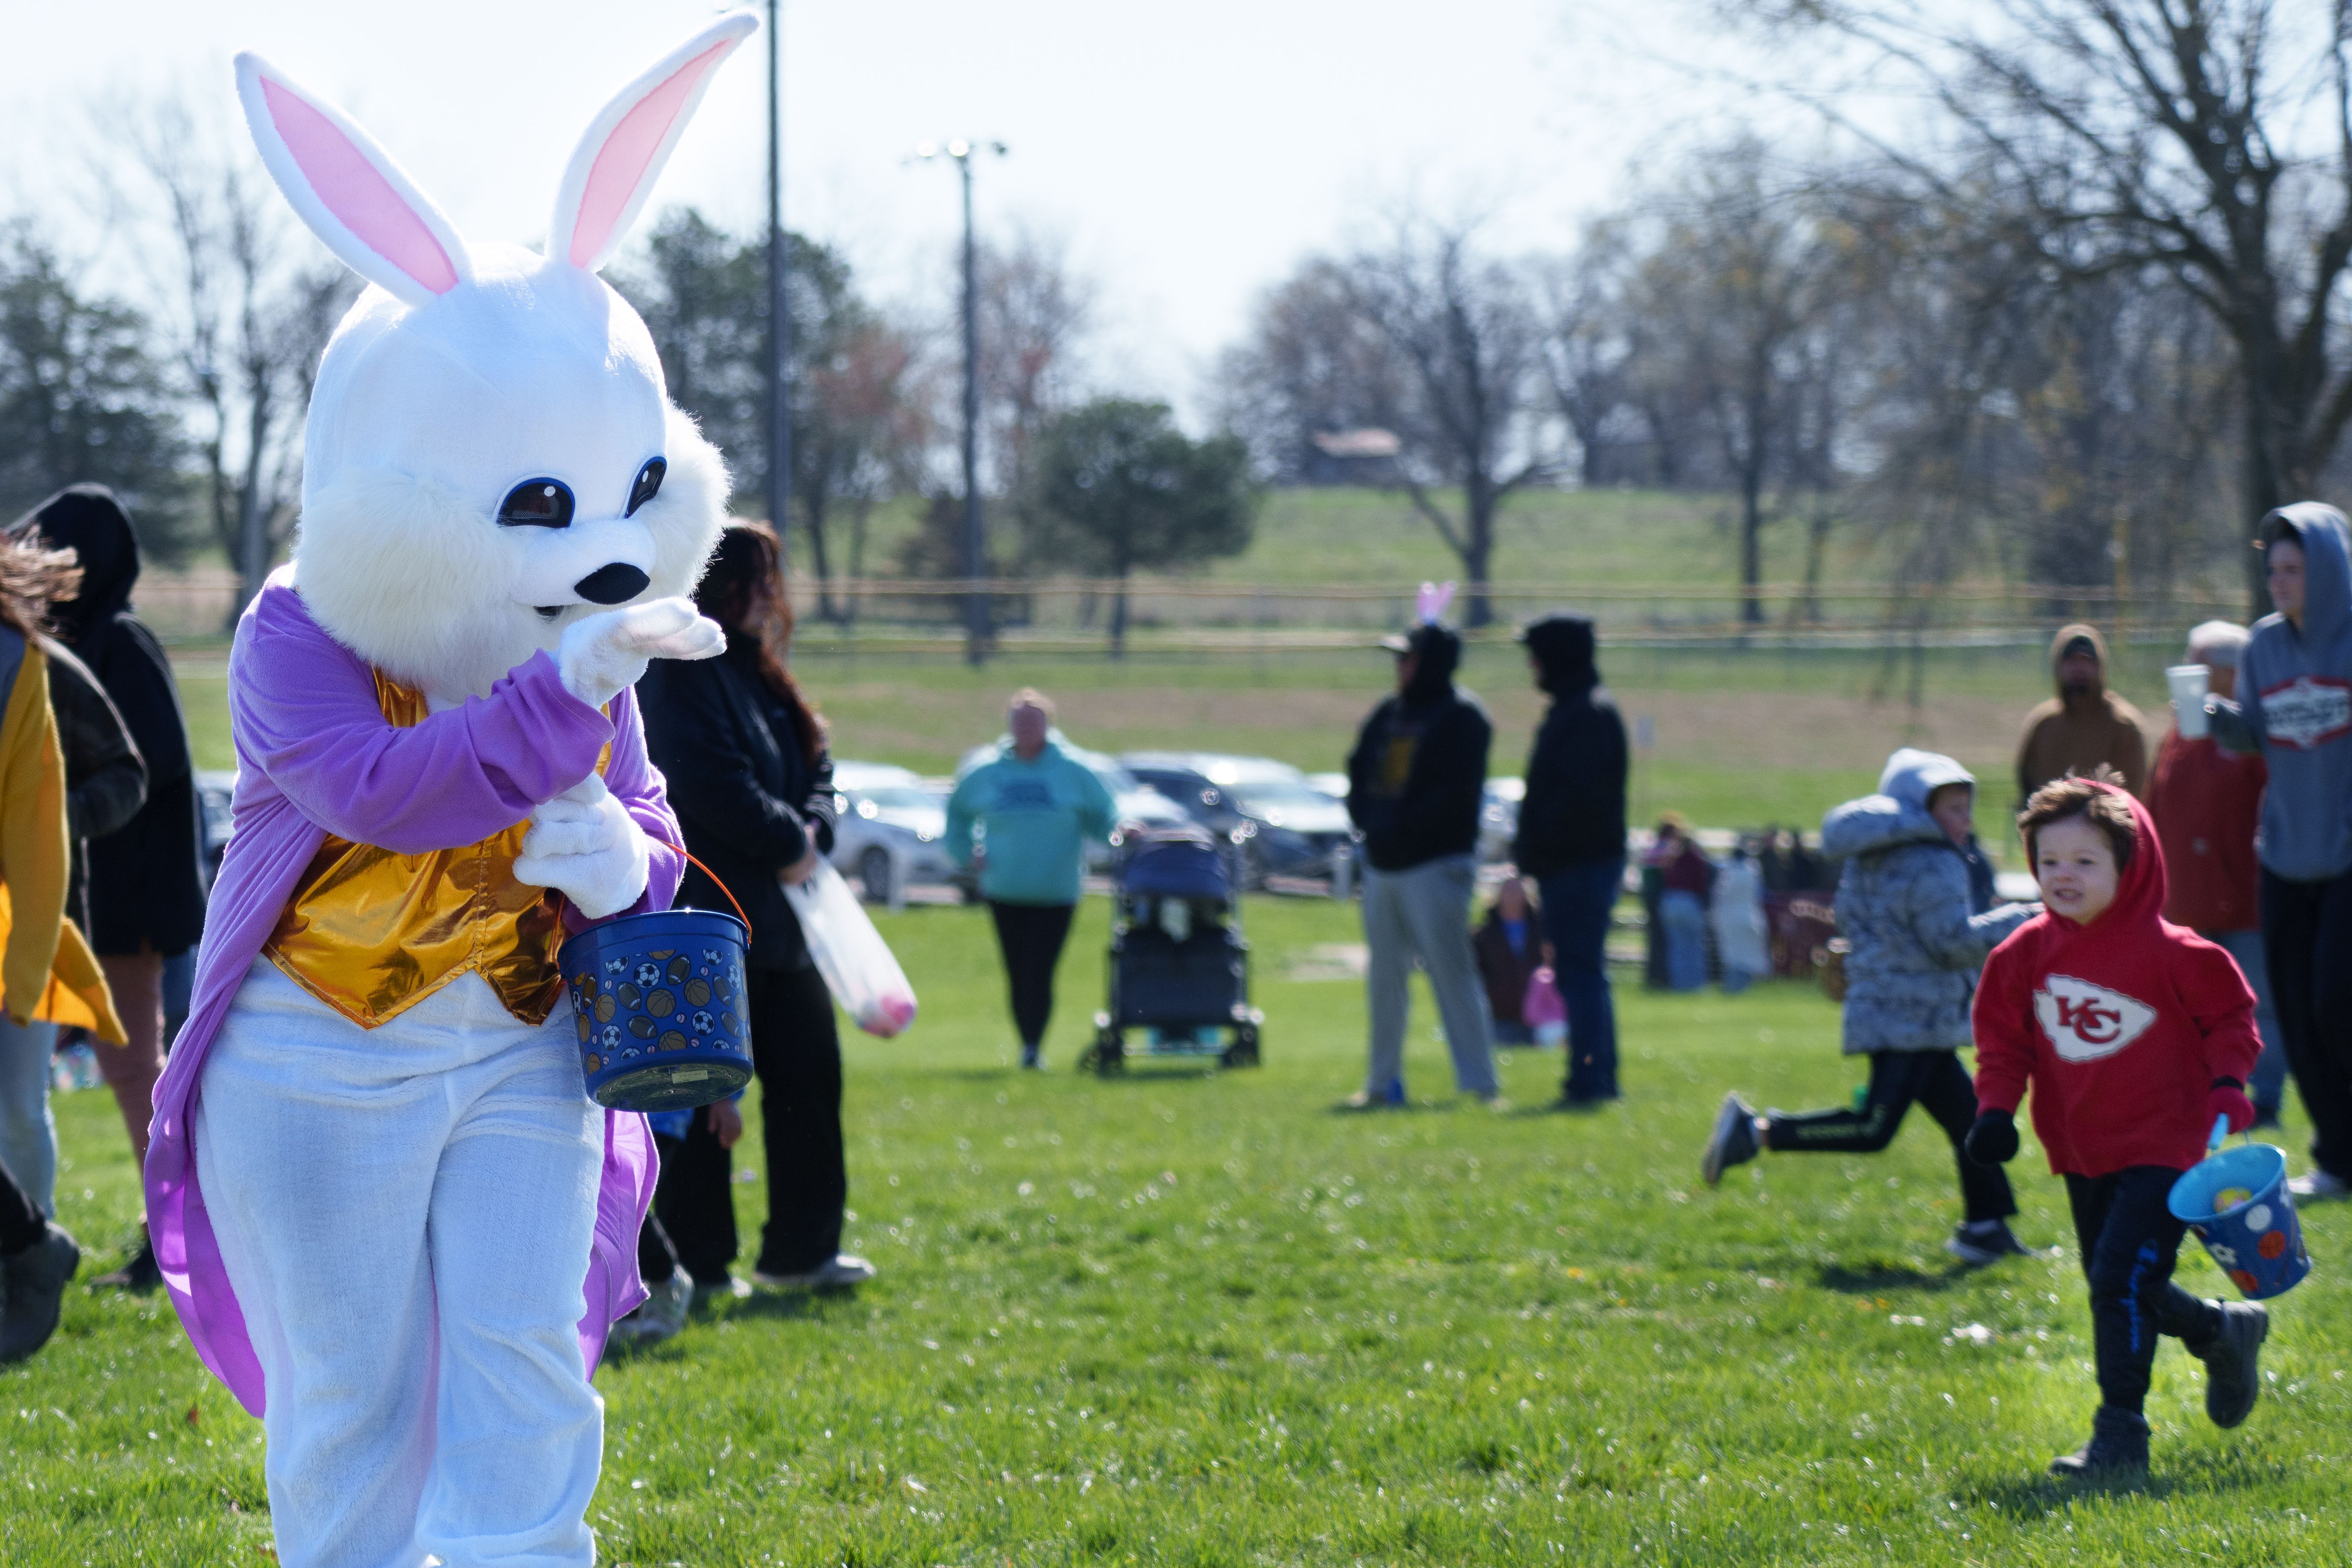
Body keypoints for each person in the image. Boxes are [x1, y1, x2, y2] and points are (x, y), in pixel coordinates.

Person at [1965, 775, 2269, 1479]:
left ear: (2129, 865)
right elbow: (2003, 1045)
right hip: (2080, 1148)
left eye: (2083, 861)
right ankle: (2220, 1330)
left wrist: (2228, 1085)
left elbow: (2229, 1019)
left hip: (2166, 1146)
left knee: (2115, 1280)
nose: (2061, 876)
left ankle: (2119, 1436)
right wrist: (1993, 1111)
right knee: (2125, 1284)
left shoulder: (2177, 953)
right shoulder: (2019, 957)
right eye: (2047, 862)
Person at [641, 520, 870, 1292]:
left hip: (785, 926)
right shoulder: (674, 672)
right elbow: (708, 781)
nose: (771, 595)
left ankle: (802, 1251)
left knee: (810, 1079)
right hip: (705, 921)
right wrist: (788, 841)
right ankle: (703, 1263)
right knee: (705, 1094)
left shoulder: (761, 672)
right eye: (755, 577)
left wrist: (815, 825)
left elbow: (818, 763)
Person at [1702, 750, 2038, 1263]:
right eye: (1953, 808)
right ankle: (1755, 1131)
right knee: (1870, 1129)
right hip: (1910, 1018)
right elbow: (1949, 940)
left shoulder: (1872, 855)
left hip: (1897, 1010)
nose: (1965, 820)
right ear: (1917, 808)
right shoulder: (1935, 858)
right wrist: (2024, 921)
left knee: (1971, 1121)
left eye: (1966, 808)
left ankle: (1986, 1228)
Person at [18, 485, 206, 1291]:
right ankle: (170, 1236)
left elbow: (153, 762)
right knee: (130, 1067)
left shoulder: (119, 641)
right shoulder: (79, 639)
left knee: (135, 1070)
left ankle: (179, 1243)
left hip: (126, 899)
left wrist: (54, 798)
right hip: (91, 894)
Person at [2209, 503, 2352, 1201]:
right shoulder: (2261, 645)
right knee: (2293, 1009)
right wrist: (2221, 725)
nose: (2278, 582)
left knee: (2335, 999)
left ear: (2326, 570)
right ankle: (2334, 1160)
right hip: (2284, 852)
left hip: (2346, 855)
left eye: (2293, 569)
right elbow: (2258, 736)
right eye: (2271, 570)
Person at [1343, 620, 1499, 1105]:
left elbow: (1452, 795)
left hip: (1435, 864)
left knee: (1452, 975)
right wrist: (1370, 822)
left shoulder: (1464, 718)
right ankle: (1380, 1084)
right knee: (1384, 980)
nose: (1400, 667)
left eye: (1408, 658)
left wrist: (1400, 825)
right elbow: (1359, 769)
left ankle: (1478, 1085)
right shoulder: (1388, 713)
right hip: (1384, 864)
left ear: (1430, 662)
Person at [2145, 620, 2289, 1128]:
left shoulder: (2253, 733)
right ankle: (2204, 1094)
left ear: (2232, 673)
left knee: (2259, 1001)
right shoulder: (2178, 735)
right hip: (2185, 901)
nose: (2192, 675)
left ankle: (2265, 1097)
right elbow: (2154, 806)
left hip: (2243, 899)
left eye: (2201, 665)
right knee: (2191, 1005)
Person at [946, 689, 1115, 1070]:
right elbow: (957, 815)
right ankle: (1027, 1043)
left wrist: (1121, 833)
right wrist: (965, 854)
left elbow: (1103, 817)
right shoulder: (986, 772)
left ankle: (1033, 1046)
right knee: (1018, 970)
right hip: (1005, 889)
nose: (1026, 728)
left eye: (1033, 721)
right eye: (1019, 721)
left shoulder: (1073, 770)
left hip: (1056, 891)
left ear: (1048, 725)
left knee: (1040, 969)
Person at [1512, 613, 1628, 1103]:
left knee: (1579, 973)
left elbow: (1573, 801)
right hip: (1573, 864)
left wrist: (1542, 848)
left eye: (1537, 655)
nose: (1533, 666)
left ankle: (1590, 1077)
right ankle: (1594, 1074)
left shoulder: (1586, 715)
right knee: (1580, 972)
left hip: (1579, 866)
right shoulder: (1578, 709)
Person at [2016, 623, 2148, 804]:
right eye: (2072, 661)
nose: (2080, 668)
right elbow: (2028, 783)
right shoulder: (2044, 724)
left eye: (2087, 661)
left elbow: (2129, 797)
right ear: (2058, 665)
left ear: (2100, 667)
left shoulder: (2123, 726)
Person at [1473, 877, 1544, 1046]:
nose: (1513, 895)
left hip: (1541, 1019)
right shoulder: (1485, 936)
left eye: (1517, 891)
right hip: (1500, 1018)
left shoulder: (1542, 932)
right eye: (1508, 891)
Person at [1655, 825, 1715, 992]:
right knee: (1695, 946)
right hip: (1689, 901)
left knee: (1677, 947)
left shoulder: (1671, 858)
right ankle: (1696, 984)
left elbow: (1663, 875)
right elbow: (1702, 884)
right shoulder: (1696, 859)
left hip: (1669, 901)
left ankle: (1679, 984)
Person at [1711, 845, 1770, 993]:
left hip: (1729, 918)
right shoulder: (1753, 871)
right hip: (1750, 916)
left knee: (1733, 956)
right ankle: (1742, 986)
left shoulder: (1728, 872)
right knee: (1747, 955)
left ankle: (1734, 987)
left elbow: (1720, 895)